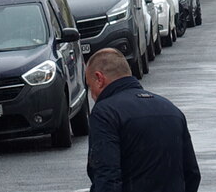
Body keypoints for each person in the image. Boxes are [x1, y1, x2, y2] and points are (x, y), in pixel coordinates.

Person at [85, 48, 200, 192]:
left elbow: (107, 177)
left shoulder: (105, 113)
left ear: (99, 78)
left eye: (90, 86)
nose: (92, 95)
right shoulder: (171, 110)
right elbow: (192, 173)